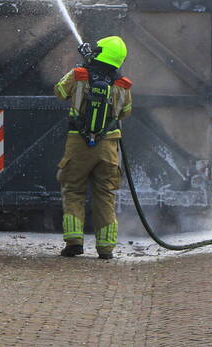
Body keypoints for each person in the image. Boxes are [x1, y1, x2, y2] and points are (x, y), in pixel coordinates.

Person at [53, 35, 133, 259]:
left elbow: (59, 90)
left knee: (73, 191)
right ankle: (106, 248)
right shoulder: (123, 84)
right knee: (105, 194)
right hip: (108, 147)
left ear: (100, 51)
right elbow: (126, 112)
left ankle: (74, 243)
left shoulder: (80, 75)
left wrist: (82, 66)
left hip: (78, 144)